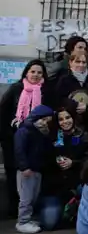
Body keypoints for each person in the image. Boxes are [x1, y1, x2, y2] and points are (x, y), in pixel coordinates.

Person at [0, 60, 48, 215]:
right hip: (14, 138)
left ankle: (31, 209)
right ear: (26, 72)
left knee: (32, 173)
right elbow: (2, 112)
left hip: (36, 140)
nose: (35, 75)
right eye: (32, 71)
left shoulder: (45, 90)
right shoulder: (16, 89)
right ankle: (15, 209)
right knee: (14, 172)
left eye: (39, 72)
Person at [41, 104, 88, 230]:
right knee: (49, 223)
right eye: (61, 119)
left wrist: (73, 162)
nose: (65, 122)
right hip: (56, 185)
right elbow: (43, 160)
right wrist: (55, 161)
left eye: (68, 117)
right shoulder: (51, 137)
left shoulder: (82, 136)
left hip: (77, 182)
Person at [13, 105, 55, 233]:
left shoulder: (40, 132)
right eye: (44, 120)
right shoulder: (24, 131)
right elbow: (19, 150)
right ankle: (23, 221)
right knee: (26, 197)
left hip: (37, 169)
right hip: (26, 171)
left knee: (33, 196)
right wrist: (24, 166)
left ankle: (28, 218)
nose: (45, 123)